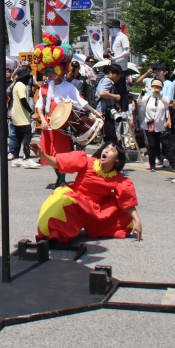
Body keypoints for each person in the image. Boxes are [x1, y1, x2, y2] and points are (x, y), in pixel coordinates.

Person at [34, 143, 142, 243]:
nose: (107, 150)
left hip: (92, 209)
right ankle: (54, 235)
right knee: (62, 199)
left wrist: (137, 221)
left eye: (112, 150)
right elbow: (59, 163)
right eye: (106, 148)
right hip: (75, 200)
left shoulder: (118, 179)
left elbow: (127, 202)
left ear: (117, 159)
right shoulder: (86, 161)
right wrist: (42, 155)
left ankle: (96, 227)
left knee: (120, 205)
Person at [34, 39, 91, 188]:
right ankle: (59, 178)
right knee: (50, 154)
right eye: (49, 71)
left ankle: (62, 179)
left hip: (62, 124)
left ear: (60, 71)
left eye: (52, 71)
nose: (50, 74)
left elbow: (81, 101)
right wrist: (43, 120)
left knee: (61, 153)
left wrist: (95, 112)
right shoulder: (44, 87)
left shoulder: (69, 87)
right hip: (48, 124)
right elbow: (39, 106)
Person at [138, 79, 175, 172]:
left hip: (160, 125)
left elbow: (168, 104)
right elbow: (140, 102)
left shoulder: (163, 98)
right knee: (152, 145)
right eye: (154, 87)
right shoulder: (148, 98)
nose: (155, 89)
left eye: (158, 87)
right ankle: (152, 164)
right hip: (149, 125)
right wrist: (142, 93)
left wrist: (160, 95)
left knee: (166, 145)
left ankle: (173, 165)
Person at [96, 64, 123, 146]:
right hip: (104, 114)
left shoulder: (106, 81)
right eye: (117, 76)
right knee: (111, 141)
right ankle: (97, 157)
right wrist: (115, 96)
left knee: (109, 141)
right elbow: (102, 93)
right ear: (110, 73)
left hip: (106, 113)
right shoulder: (107, 80)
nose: (118, 78)